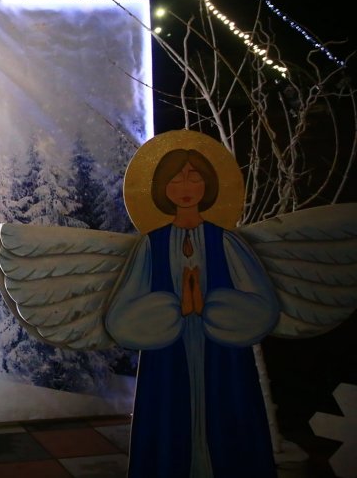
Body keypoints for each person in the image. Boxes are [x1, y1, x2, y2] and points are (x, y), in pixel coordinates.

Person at [105, 148, 280, 478]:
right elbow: (120, 317)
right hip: (168, 358)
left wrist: (211, 308)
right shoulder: (151, 245)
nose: (185, 186)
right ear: (161, 187)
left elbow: (263, 307)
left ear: (209, 184)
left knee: (229, 425)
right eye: (175, 179)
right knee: (170, 426)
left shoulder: (227, 242)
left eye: (194, 176)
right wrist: (174, 311)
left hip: (224, 358)